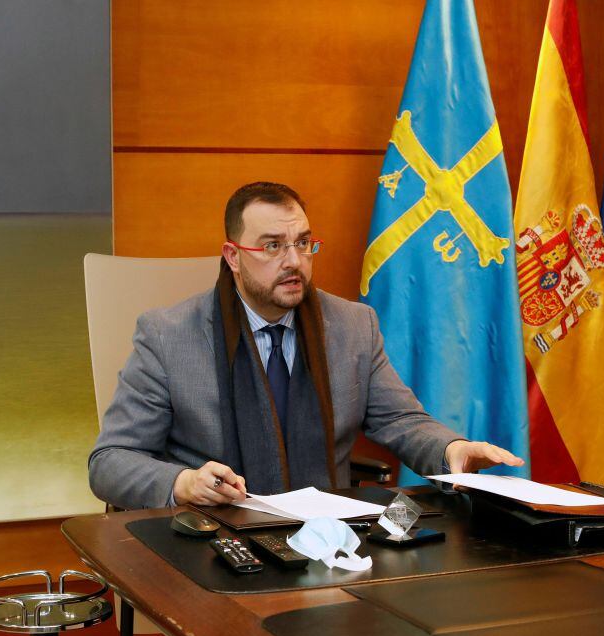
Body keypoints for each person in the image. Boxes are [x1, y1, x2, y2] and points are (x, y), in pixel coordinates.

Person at [89, 181, 523, 509]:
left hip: (329, 541)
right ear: (233, 256)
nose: (293, 261)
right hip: (213, 540)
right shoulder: (169, 337)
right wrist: (182, 483)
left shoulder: (353, 326)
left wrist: (451, 450)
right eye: (272, 247)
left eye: (302, 243)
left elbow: (402, 420)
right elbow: (109, 462)